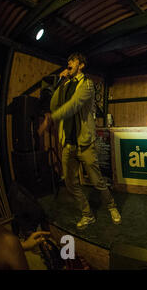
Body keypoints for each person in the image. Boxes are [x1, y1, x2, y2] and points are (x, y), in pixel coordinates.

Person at [38, 53, 121, 229]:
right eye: (68, 61)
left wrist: (51, 119)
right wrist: (59, 84)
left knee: (97, 181)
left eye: (72, 61)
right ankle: (87, 214)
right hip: (68, 143)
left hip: (85, 143)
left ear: (81, 65)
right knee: (70, 183)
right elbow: (54, 105)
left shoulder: (87, 85)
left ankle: (111, 206)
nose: (68, 63)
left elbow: (74, 105)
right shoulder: (66, 84)